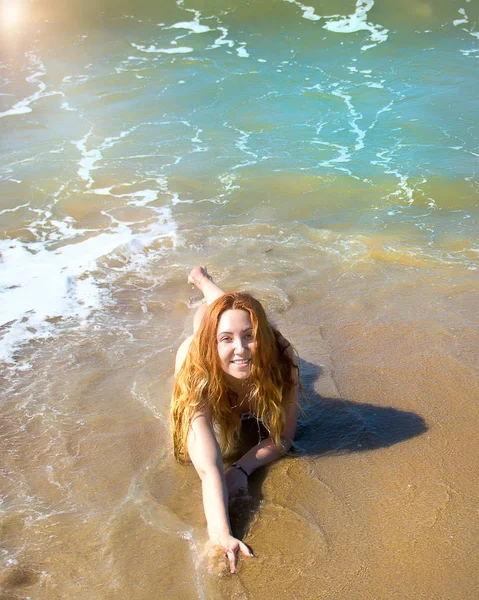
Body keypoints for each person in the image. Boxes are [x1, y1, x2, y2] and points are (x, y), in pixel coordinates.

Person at [170, 266, 299, 573]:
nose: (240, 349)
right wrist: (220, 534)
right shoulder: (195, 370)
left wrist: (243, 467)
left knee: (236, 310)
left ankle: (206, 283)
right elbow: (209, 463)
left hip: (258, 344)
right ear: (211, 346)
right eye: (225, 340)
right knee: (211, 314)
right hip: (203, 347)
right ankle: (203, 282)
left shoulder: (281, 355)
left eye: (250, 337)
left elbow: (285, 437)